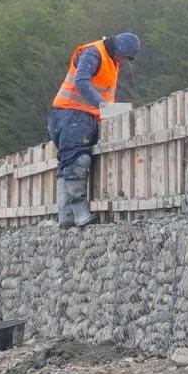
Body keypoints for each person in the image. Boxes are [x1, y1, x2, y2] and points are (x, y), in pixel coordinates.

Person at [48, 32, 141, 228]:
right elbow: (81, 81)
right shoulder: (93, 53)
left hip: (79, 116)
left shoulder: (109, 60)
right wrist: (102, 106)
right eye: (124, 57)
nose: (123, 62)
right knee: (77, 160)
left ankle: (65, 216)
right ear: (119, 49)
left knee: (68, 162)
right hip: (71, 115)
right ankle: (80, 214)